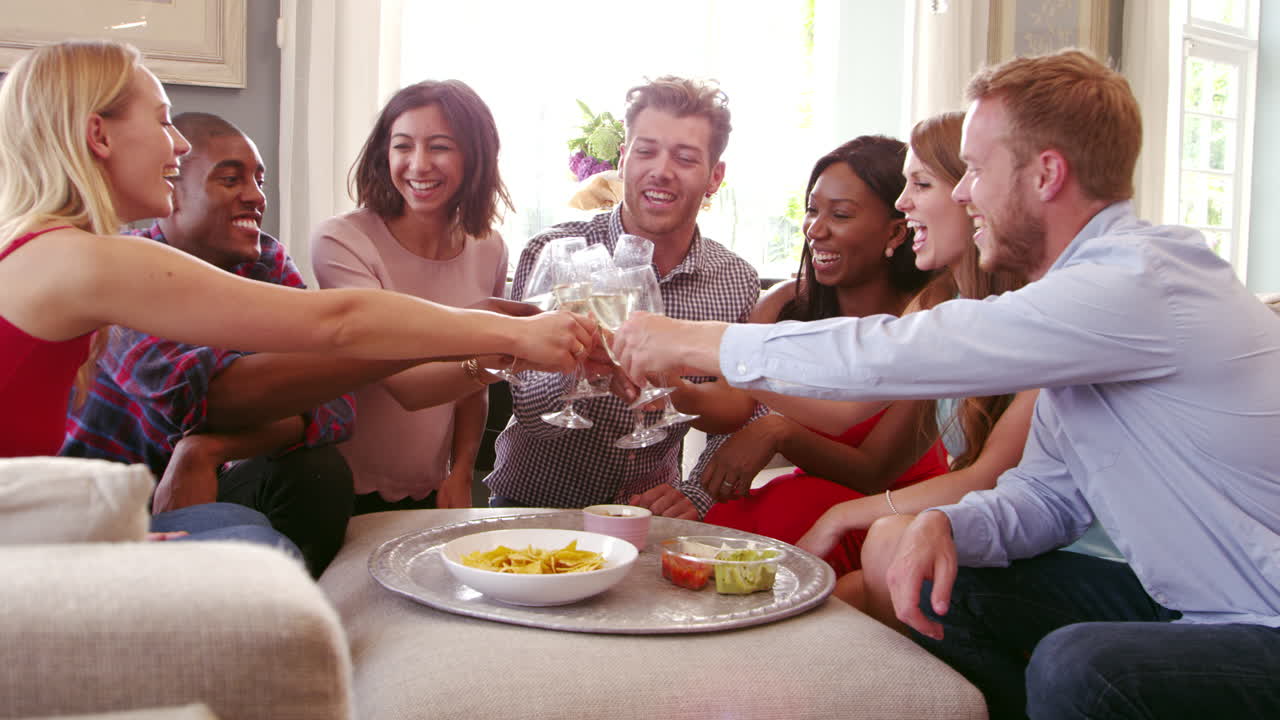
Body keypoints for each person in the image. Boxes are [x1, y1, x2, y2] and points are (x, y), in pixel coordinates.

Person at [615, 49, 1280, 719]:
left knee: (1080, 665)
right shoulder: (1084, 318)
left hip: (1262, 617)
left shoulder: (1136, 282)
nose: (963, 193)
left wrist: (694, 340)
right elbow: (1046, 499)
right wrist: (943, 523)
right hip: (1191, 606)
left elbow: (897, 354)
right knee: (938, 584)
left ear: (1046, 174)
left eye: (978, 171)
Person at [0, 42, 592, 554]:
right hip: (33, 544)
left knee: (254, 541)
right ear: (99, 135)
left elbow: (332, 381)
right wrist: (509, 331)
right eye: (162, 120)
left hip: (37, 526)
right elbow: (340, 323)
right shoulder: (87, 260)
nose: (178, 144)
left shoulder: (57, 250)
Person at [63, 112, 412, 576]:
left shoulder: (265, 263)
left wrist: (205, 450)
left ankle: (297, 604)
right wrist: (411, 346)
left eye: (258, 181)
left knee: (317, 470)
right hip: (102, 509)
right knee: (246, 520)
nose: (256, 195)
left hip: (205, 476)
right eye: (230, 180)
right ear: (172, 192)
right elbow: (201, 402)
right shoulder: (124, 270)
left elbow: (336, 406)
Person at [484, 76, 759, 518]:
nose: (661, 170)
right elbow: (530, 412)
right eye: (646, 151)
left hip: (647, 518)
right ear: (623, 159)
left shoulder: (735, 280)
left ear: (715, 177)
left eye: (685, 157)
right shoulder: (555, 252)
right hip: (532, 507)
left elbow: (741, 413)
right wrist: (579, 366)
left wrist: (695, 493)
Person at [791, 112, 1034, 609]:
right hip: (983, 528)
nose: (902, 204)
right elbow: (848, 404)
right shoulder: (939, 299)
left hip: (1049, 549)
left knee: (871, 557)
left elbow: (985, 479)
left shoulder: (1037, 314)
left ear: (974, 192)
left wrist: (841, 515)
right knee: (820, 604)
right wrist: (709, 364)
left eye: (921, 184)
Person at [686, 135, 948, 574]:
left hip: (893, 508)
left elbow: (874, 472)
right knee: (717, 534)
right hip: (810, 492)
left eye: (840, 215)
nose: (815, 230)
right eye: (812, 210)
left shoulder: (926, 316)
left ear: (896, 231)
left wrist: (778, 432)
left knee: (784, 528)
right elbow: (733, 401)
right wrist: (667, 384)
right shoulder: (785, 304)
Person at [311, 80, 523, 514]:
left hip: (428, 487)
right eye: (402, 146)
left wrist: (461, 470)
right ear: (383, 154)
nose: (419, 164)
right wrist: (514, 346)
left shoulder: (489, 248)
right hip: (335, 487)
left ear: (475, 157)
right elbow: (406, 385)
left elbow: (471, 389)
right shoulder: (342, 241)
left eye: (439, 147)